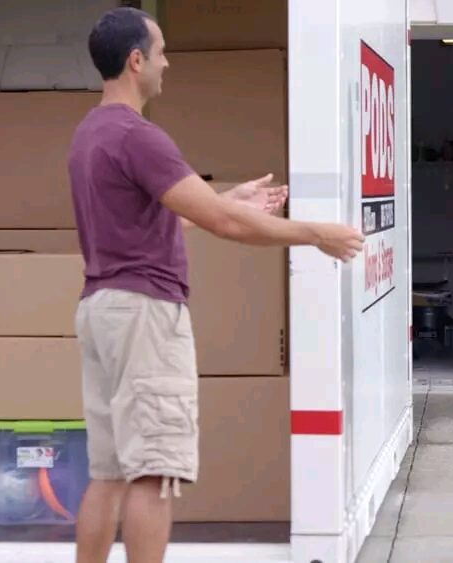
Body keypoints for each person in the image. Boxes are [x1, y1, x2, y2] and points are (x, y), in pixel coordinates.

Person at [68, 8, 364, 563]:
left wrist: (223, 201)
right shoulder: (139, 136)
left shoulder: (91, 133)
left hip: (101, 310)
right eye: (159, 52)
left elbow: (160, 218)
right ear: (136, 61)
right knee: (155, 473)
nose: (166, 63)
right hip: (145, 316)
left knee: (108, 474)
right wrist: (314, 233)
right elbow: (225, 228)